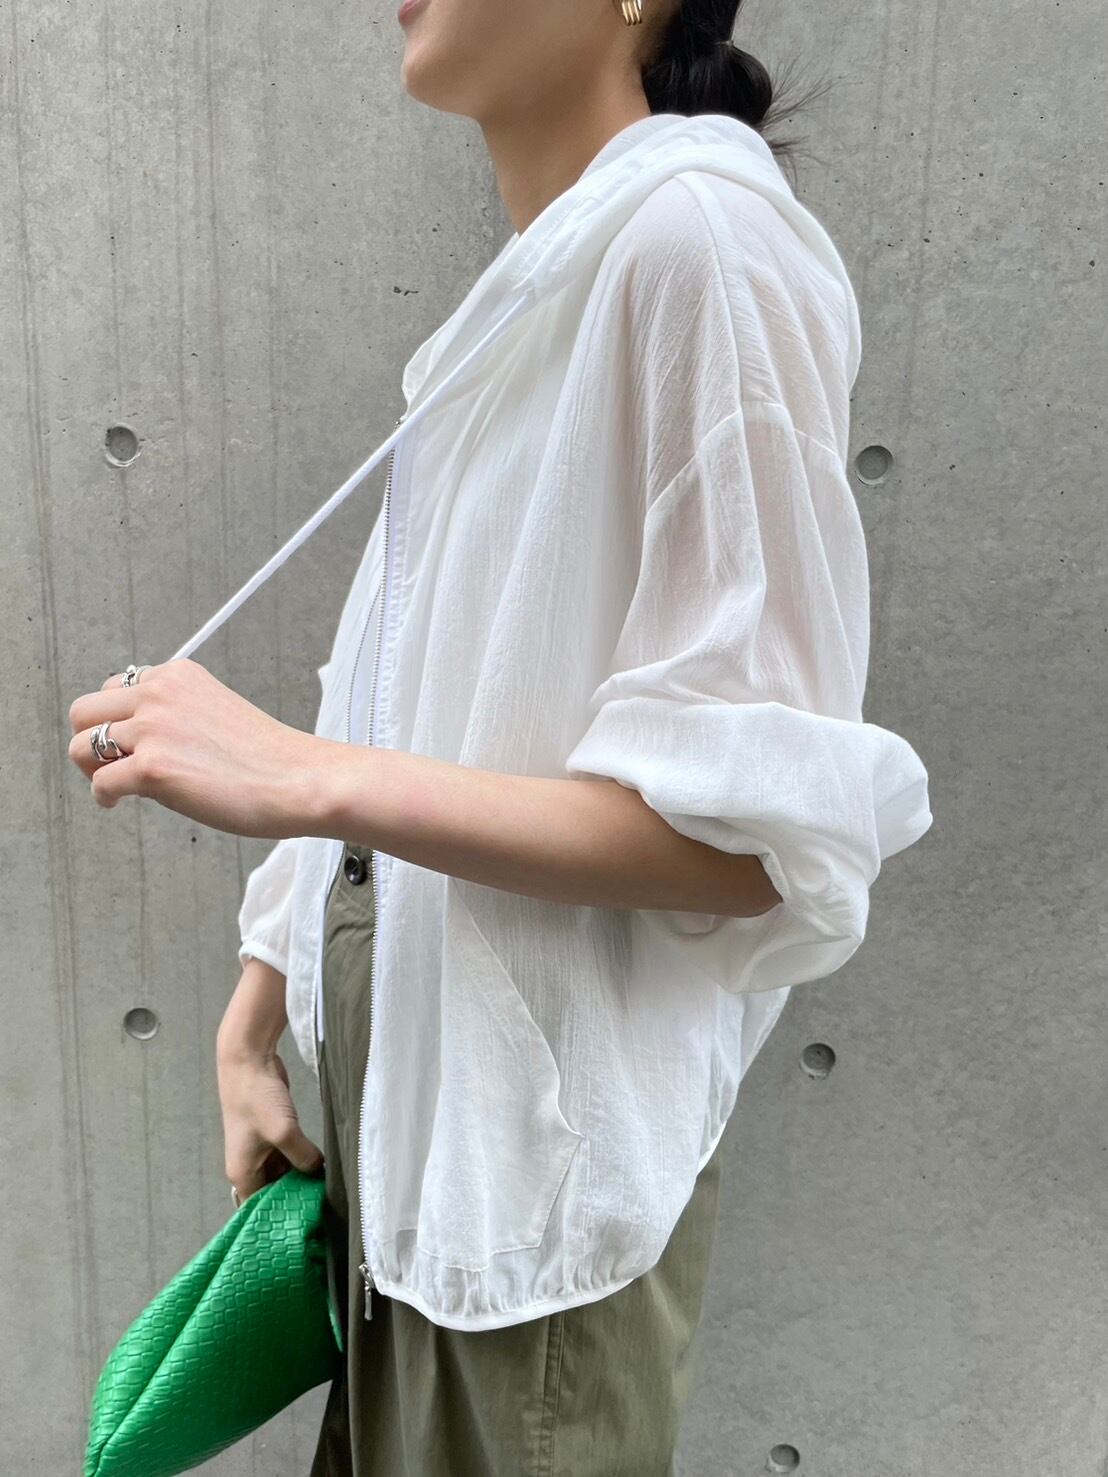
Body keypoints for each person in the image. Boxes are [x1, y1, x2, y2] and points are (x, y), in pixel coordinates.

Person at [67, 0, 933, 1470]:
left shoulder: (706, 246)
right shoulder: (534, 293)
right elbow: (403, 684)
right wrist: (260, 999)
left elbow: (755, 840)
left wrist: (307, 778)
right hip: (415, 1155)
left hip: (531, 1210)